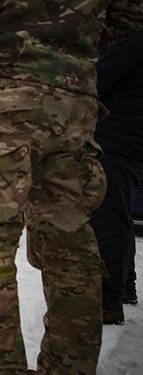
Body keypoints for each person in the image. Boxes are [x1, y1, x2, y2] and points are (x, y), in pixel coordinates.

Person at [0, 0, 109, 373]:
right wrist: (73, 51)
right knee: (70, 249)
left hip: (6, 88)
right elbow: (128, 17)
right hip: (75, 100)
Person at [89, 3, 143, 325]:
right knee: (118, 216)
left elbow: (97, 79)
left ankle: (107, 300)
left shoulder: (132, 43)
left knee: (107, 219)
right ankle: (125, 287)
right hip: (131, 140)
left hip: (117, 137)